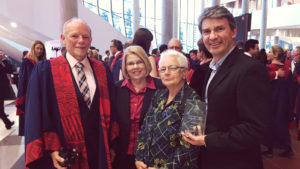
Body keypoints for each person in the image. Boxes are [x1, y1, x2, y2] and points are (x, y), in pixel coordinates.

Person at [181, 5, 272, 169]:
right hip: (212, 157)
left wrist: (207, 140)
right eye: (207, 31)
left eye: (219, 29)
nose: (213, 36)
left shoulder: (249, 69)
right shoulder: (212, 68)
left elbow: (255, 129)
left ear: (234, 32)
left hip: (236, 161)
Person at [24, 18, 116, 169]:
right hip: (64, 151)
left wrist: (111, 144)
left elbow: (112, 110)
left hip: (98, 148)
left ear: (90, 40)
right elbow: (38, 113)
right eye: (74, 36)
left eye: (85, 37)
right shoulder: (45, 71)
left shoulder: (102, 70)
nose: (81, 41)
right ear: (63, 39)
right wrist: (53, 150)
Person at [135, 50, 205, 169]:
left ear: (184, 72)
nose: (166, 73)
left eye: (172, 68)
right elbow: (144, 130)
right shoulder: (158, 96)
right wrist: (139, 158)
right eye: (162, 69)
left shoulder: (195, 103)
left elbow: (189, 151)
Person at [113, 45, 164, 169]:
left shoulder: (161, 88)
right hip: (121, 156)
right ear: (125, 67)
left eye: (139, 62)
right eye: (130, 63)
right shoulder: (116, 89)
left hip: (151, 158)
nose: (135, 67)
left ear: (146, 63)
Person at [262, 45, 293, 157]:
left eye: (270, 51)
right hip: (283, 100)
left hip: (271, 99)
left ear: (275, 55)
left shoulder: (269, 68)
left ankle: (269, 148)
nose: (267, 53)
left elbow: (262, 81)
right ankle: (286, 148)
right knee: (281, 123)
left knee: (270, 122)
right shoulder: (286, 69)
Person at [16, 40, 46, 136]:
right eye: (37, 48)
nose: (39, 51)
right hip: (29, 94)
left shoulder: (43, 62)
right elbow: (23, 80)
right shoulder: (27, 61)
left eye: (41, 49)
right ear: (33, 49)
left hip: (41, 93)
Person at [0, 49, 15, 130]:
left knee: (1, 109)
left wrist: (4, 59)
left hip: (2, 90)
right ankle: (7, 123)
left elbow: (9, 70)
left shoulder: (3, 62)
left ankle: (7, 123)